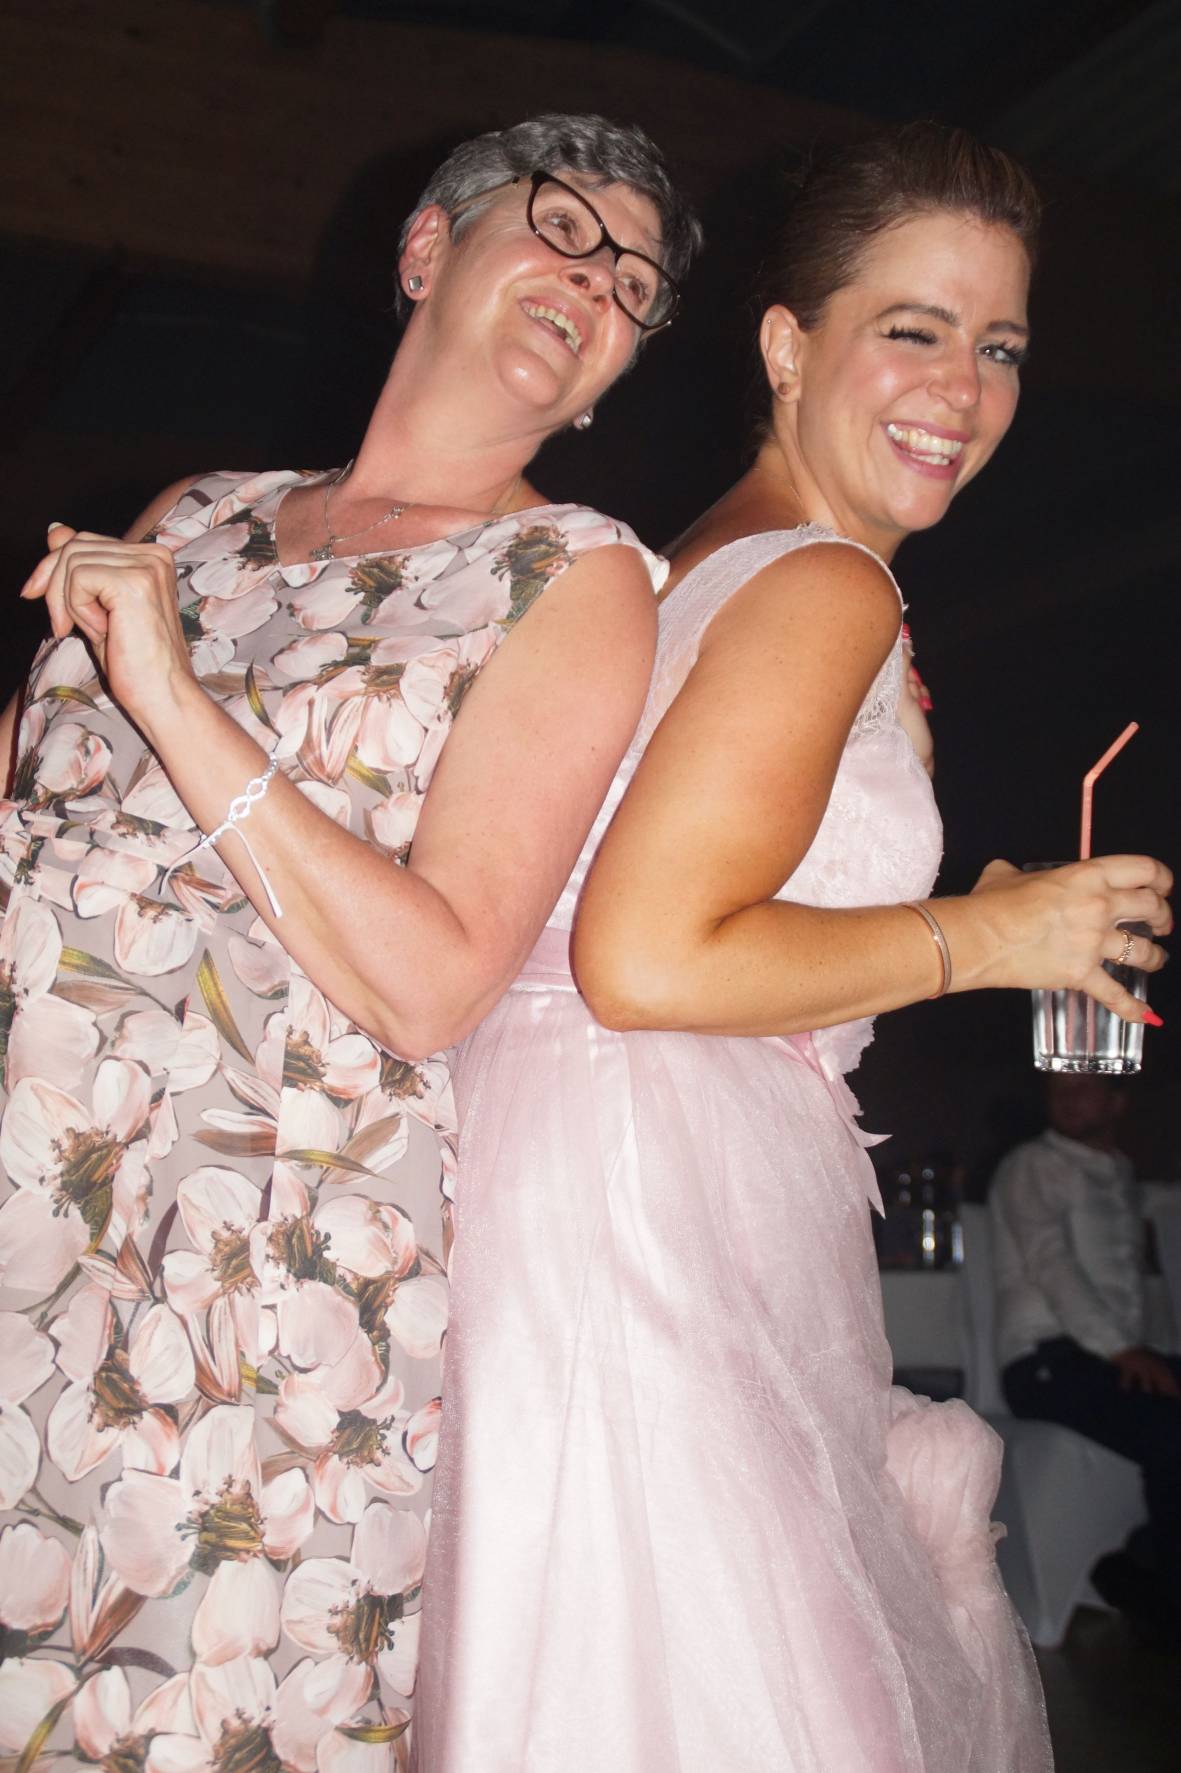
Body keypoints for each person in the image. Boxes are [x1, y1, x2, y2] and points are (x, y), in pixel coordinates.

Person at [414, 123, 1171, 1770]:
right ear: (785, 343)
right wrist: (982, 934)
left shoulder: (707, 557)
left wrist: (968, 912)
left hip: (589, 1168)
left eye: (999, 346)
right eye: (912, 328)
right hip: (648, 1197)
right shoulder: (823, 584)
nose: (961, 389)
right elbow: (647, 959)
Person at [0, 114, 702, 1764]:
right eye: (564, 225)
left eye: (636, 284)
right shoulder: (194, 514)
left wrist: (172, 690)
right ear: (425, 248)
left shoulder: (573, 576)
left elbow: (435, 979)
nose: (599, 278)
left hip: (237, 1278)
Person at [992, 1073, 1181, 1642]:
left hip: (1109, 1357)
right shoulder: (1032, 1166)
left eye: (1083, 1088)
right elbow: (1052, 1262)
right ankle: (1165, 1595)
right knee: (1170, 1432)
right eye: (1059, 1089)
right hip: (1046, 1360)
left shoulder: (1120, 1175)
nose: (1066, 1098)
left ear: (1117, 1101)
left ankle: (1137, 1561)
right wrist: (1123, 1349)